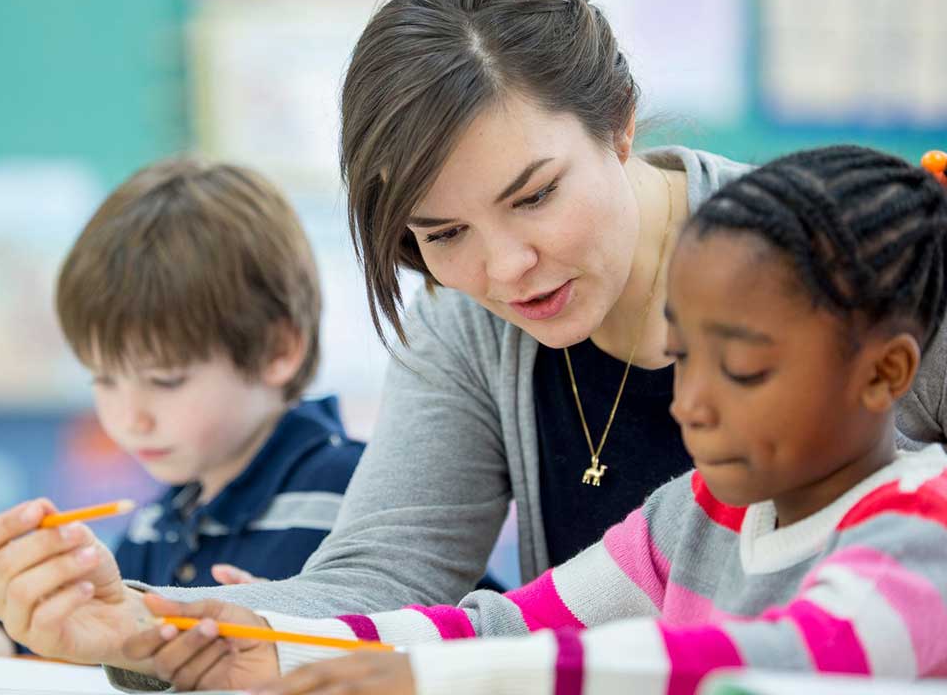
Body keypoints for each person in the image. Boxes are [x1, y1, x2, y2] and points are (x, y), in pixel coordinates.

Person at [0, 0, 946, 681]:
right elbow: (421, 597)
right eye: (442, 233)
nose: (504, 268)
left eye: (535, 195)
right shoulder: (651, 506)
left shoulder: (852, 258)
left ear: (618, 123)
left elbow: (748, 652)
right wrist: (146, 621)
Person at [119, 144, 947, 694]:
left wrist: (441, 681)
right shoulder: (691, 513)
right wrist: (272, 638)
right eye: (683, 355)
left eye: (743, 368)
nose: (689, 402)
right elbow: (510, 623)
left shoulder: (923, 527)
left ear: (885, 373)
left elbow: (775, 664)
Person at [0, 158, 363, 655]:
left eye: (166, 380)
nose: (130, 419)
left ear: (277, 351)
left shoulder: (359, 497)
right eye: (103, 379)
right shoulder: (160, 522)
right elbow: (103, 638)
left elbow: (428, 638)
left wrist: (292, 634)